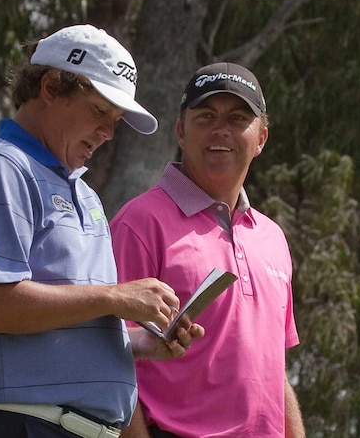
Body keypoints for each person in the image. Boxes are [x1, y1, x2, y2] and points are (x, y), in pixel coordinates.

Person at [0, 24, 204, 438]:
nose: (108, 133)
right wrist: (115, 297)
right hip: (17, 425)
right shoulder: (0, 168)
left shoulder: (85, 194)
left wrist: (137, 343)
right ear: (49, 87)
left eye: (115, 120)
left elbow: (64, 319)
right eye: (99, 111)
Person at [110, 62, 306, 438]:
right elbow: (111, 356)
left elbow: (273, 369)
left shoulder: (272, 237)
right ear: (181, 131)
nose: (221, 130)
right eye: (205, 116)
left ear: (261, 137)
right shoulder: (139, 223)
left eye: (237, 117)